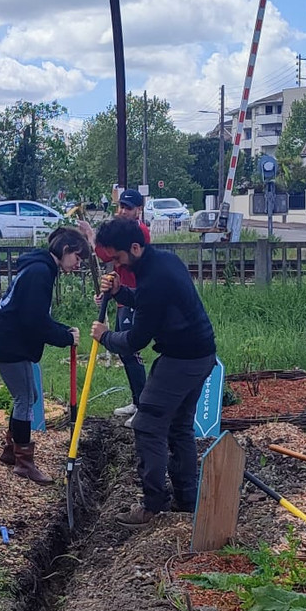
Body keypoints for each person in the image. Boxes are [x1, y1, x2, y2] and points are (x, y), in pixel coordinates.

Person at [91, 217, 217, 526]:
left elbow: (136, 340)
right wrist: (121, 292)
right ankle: (187, 499)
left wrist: (105, 336)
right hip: (199, 355)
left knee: (147, 426)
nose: (116, 265)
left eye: (118, 258)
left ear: (135, 247)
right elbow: (149, 305)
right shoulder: (164, 262)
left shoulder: (154, 278)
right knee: (179, 428)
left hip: (181, 360)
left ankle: (153, 507)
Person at [0, 226, 88, 484]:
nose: (78, 264)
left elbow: (37, 316)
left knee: (29, 396)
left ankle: (12, 451)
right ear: (65, 251)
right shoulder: (41, 272)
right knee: (25, 397)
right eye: (77, 258)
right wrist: (64, 337)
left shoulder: (40, 268)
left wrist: (63, 330)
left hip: (7, 339)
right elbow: (34, 322)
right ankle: (24, 463)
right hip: (7, 343)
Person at [82, 188, 151, 426]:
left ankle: (143, 407)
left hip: (135, 298)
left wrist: (92, 237)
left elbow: (105, 253)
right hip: (123, 298)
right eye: (120, 206)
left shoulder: (139, 232)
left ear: (138, 210)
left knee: (131, 349)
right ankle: (136, 401)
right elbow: (111, 260)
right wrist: (108, 292)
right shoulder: (123, 231)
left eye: (128, 208)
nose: (122, 211)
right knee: (126, 352)